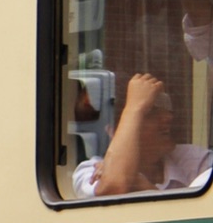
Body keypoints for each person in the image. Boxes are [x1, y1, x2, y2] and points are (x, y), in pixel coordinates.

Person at [74, 73, 213, 197]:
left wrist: (140, 183)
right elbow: (113, 186)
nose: (168, 117)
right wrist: (134, 108)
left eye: (167, 109)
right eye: (151, 111)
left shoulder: (195, 161)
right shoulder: (90, 171)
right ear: (117, 131)